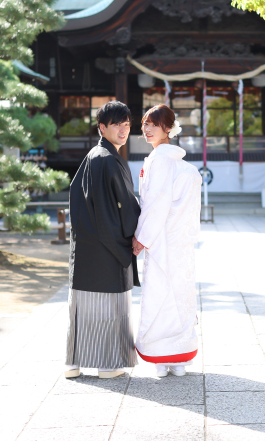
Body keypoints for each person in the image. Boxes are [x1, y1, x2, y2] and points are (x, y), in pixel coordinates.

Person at [65, 101, 140, 379]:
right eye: (116, 124)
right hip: (108, 246)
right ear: (102, 127)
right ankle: (107, 365)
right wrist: (137, 235)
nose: (123, 130)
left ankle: (73, 364)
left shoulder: (92, 156)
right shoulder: (110, 160)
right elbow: (127, 204)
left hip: (86, 246)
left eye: (126, 124)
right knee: (107, 308)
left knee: (82, 307)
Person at [132, 104, 202, 377]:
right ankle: (180, 358)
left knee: (160, 294)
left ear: (168, 129)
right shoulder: (179, 163)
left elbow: (155, 204)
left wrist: (141, 239)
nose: (147, 129)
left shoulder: (160, 159)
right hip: (180, 242)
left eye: (154, 124)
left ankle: (162, 358)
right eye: (145, 124)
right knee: (180, 295)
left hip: (162, 240)